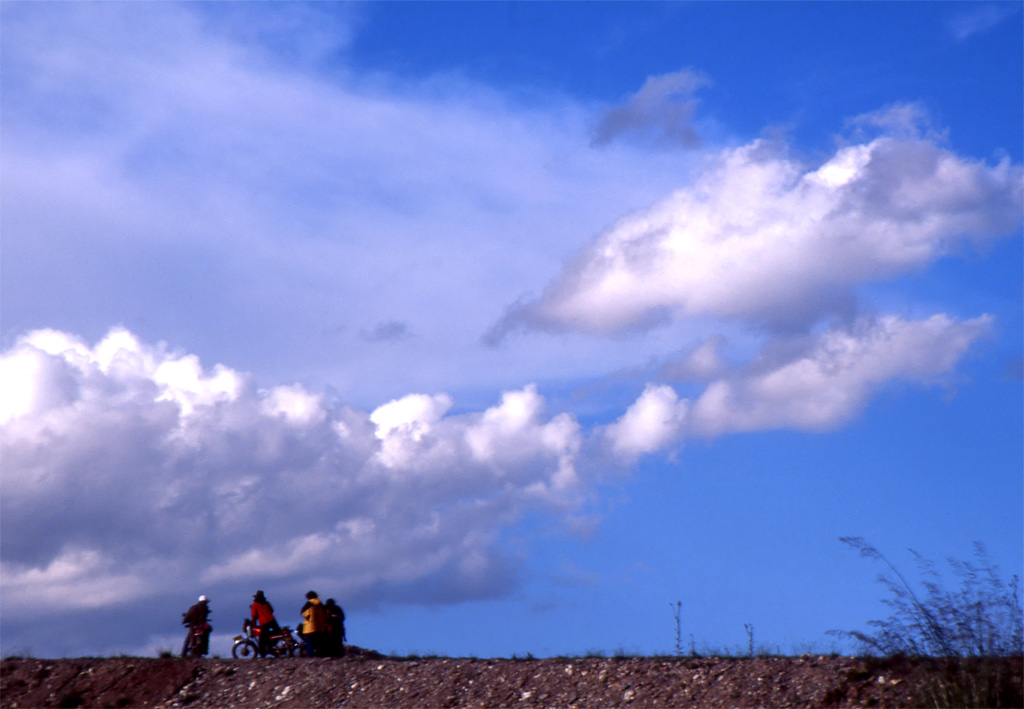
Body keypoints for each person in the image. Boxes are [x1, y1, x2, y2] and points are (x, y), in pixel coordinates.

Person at [250, 590, 281, 658]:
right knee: (276, 634)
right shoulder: (266, 603)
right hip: (272, 621)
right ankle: (271, 647)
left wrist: (254, 625)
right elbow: (271, 610)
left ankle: (263, 654)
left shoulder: (255, 605)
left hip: (264, 623)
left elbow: (254, 616)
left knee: (262, 640)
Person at [300, 590, 329, 657]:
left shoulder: (309, 604)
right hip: (320, 627)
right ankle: (320, 656)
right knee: (319, 643)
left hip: (310, 627)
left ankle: (310, 656)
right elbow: (326, 614)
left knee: (310, 643)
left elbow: (303, 613)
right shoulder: (321, 604)